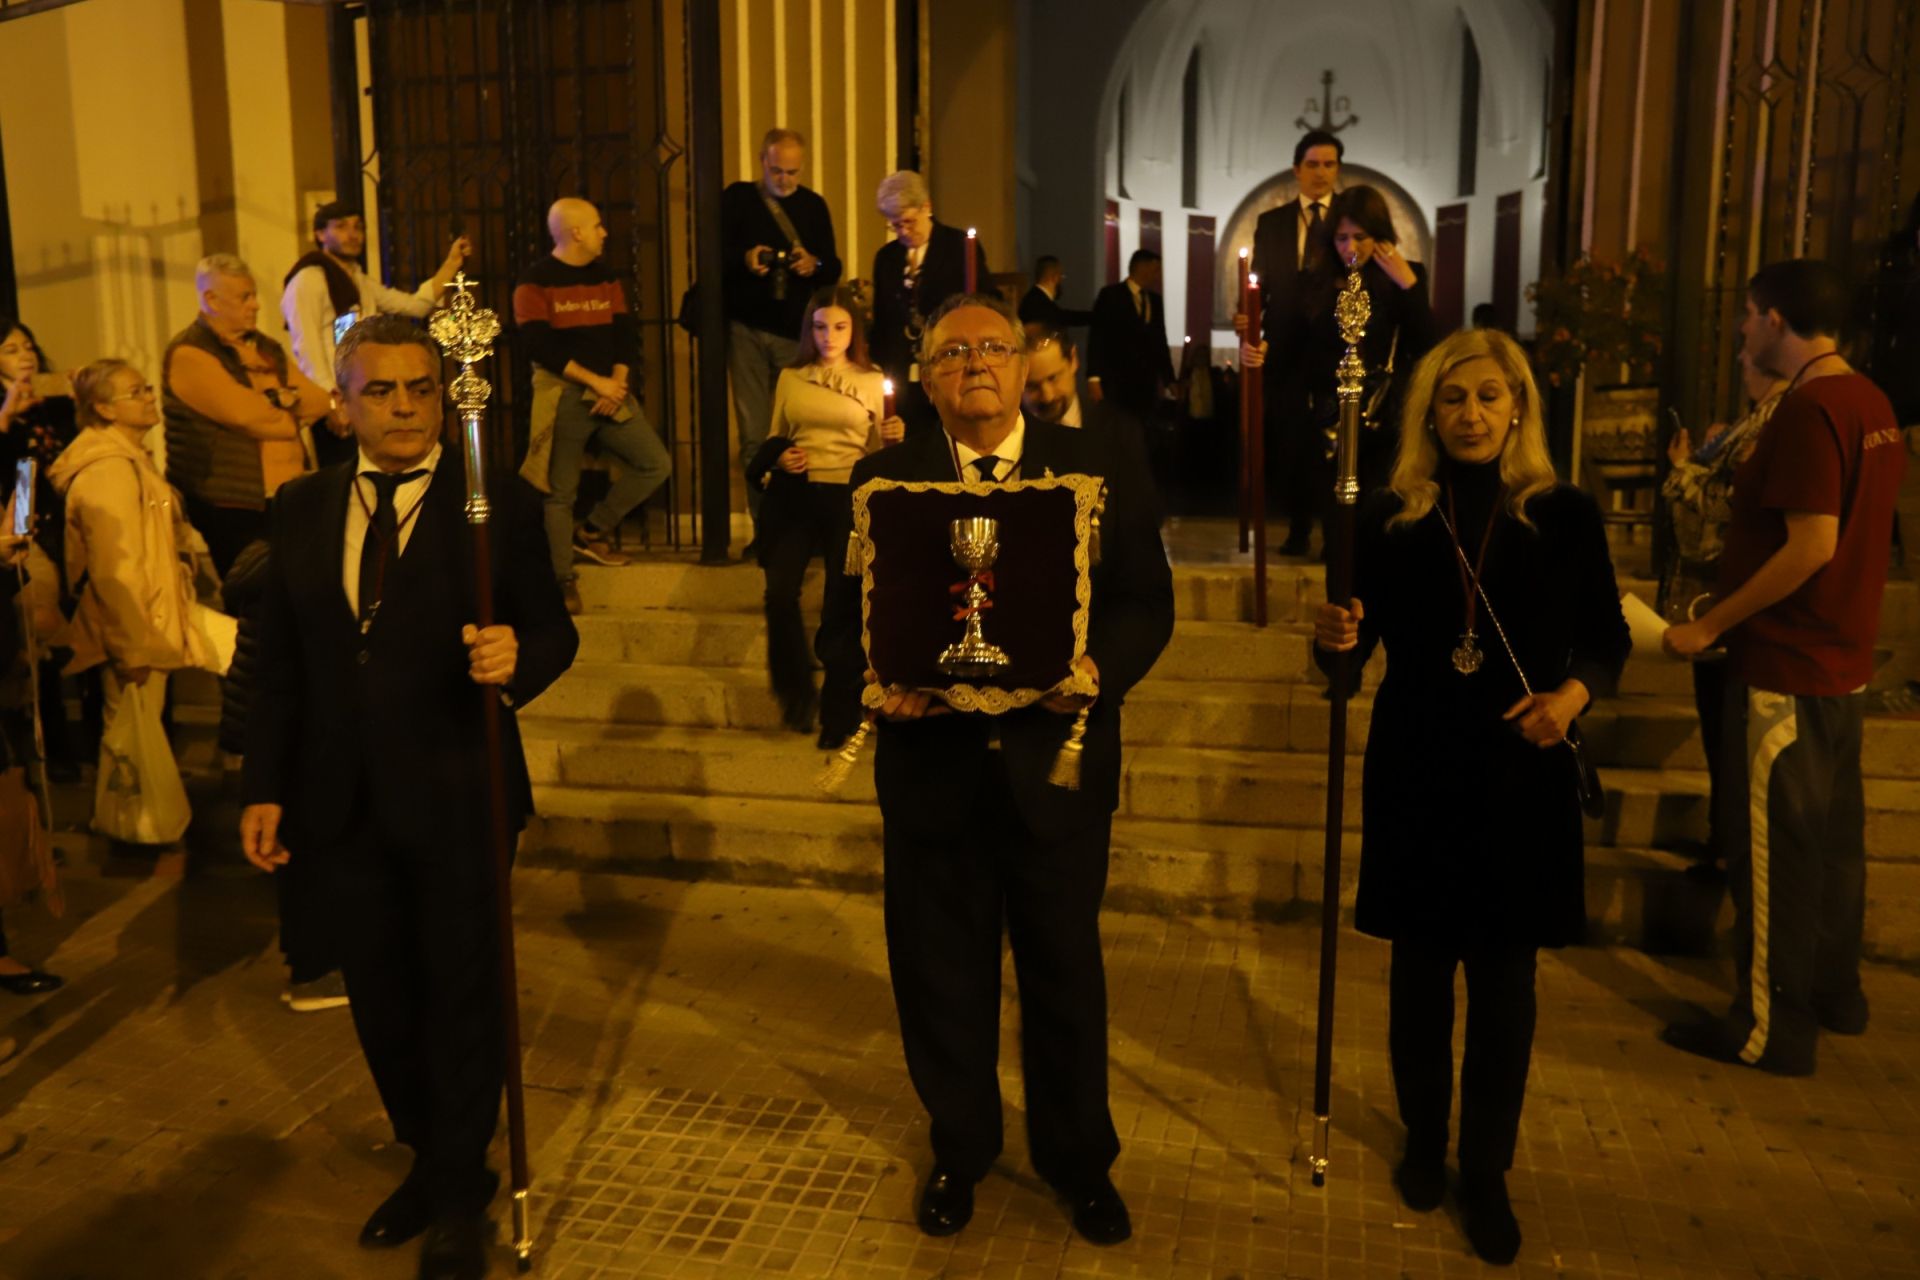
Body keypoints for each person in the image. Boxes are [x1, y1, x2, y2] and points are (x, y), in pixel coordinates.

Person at [818, 293, 1173, 1247]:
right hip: (933, 771)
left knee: (1064, 973)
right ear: (927, 377)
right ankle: (961, 1150)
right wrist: (872, 688)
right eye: (952, 351)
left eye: (994, 348)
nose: (975, 363)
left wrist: (1101, 671)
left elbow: (1147, 603)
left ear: (1026, 367)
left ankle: (1078, 1161)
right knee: (941, 978)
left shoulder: (1097, 466)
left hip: (1052, 773)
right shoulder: (883, 482)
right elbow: (843, 626)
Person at [240, 314, 578, 1279]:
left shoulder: (495, 501)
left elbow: (553, 629)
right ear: (342, 405)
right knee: (380, 997)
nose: (402, 407)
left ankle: (461, 1181)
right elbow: (282, 670)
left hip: (457, 788)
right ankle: (431, 1159)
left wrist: (518, 659)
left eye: (420, 388)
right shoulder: (300, 507)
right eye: (379, 390)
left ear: (444, 396)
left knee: (461, 994)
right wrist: (264, 785)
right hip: (339, 798)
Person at [1315, 328, 1629, 1266]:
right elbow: (1345, 666)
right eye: (1454, 399)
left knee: (1504, 986)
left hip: (1519, 770)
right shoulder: (1387, 520)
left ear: (1520, 407)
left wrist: (1570, 698)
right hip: (1417, 764)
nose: (1472, 415)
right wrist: (1332, 638)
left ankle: (1485, 1169)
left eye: (1491, 397)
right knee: (1419, 976)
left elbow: (1606, 638)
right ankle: (1421, 1140)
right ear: (1428, 413)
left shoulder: (1563, 515)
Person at [1661, 260, 1908, 1075]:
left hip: (1789, 665)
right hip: (1839, 663)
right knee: (1835, 850)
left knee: (1779, 857)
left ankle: (1770, 1027)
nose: (1739, 330)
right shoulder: (1871, 402)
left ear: (1773, 320)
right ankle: (1837, 995)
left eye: (1746, 317)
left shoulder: (1809, 409)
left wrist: (1711, 625)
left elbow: (1813, 543)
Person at [52, 360, 221, 853]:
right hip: (139, 627)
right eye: (135, 391)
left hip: (158, 616)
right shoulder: (108, 472)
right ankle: (132, 825)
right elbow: (115, 569)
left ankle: (137, 821)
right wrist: (131, 650)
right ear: (104, 408)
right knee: (128, 729)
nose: (149, 397)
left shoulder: (131, 459)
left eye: (147, 388)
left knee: (136, 727)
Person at [1244, 185, 1436, 555]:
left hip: (1380, 416)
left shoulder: (1407, 276)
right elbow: (1289, 336)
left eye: (1361, 237)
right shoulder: (1315, 280)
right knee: (1334, 521)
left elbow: (1427, 344)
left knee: (1375, 516)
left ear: (1380, 236)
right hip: (1325, 414)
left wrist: (1407, 285)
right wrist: (1261, 348)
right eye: (1342, 237)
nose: (1351, 248)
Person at [747, 286, 901, 743]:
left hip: (846, 497)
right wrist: (779, 458)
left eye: (838, 327)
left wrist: (894, 437)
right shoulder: (791, 377)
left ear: (854, 330)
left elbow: (878, 454)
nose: (828, 337)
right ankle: (795, 693)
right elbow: (774, 437)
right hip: (797, 495)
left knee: (842, 601)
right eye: (819, 327)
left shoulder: (872, 379)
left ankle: (841, 710)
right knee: (778, 593)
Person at [1660, 354, 1789, 873]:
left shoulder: (1774, 422)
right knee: (1718, 726)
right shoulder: (1748, 424)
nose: (1738, 360)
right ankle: (1723, 838)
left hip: (1728, 598)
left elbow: (1719, 511)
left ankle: (1729, 847)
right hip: (1717, 595)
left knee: (1728, 729)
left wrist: (1682, 471)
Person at [514, 197, 673, 615]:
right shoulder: (535, 281)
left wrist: (617, 382)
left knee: (655, 463)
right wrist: (595, 382)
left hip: (610, 391)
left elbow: (624, 332)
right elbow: (539, 346)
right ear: (576, 232)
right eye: (598, 226)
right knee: (559, 492)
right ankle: (563, 580)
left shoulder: (606, 276)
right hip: (565, 393)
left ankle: (593, 530)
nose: (605, 233)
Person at [164, 254, 331, 575]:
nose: (255, 305)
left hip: (286, 495)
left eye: (253, 295)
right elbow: (250, 417)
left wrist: (276, 401)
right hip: (233, 503)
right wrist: (283, 408)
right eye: (245, 297)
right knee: (254, 596)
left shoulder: (265, 348)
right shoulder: (190, 353)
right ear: (211, 300)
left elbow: (318, 401)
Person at [281, 200, 470, 468]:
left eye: (358, 227)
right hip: (337, 402)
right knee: (345, 478)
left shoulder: (358, 279)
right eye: (342, 227)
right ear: (320, 234)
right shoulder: (309, 279)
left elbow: (414, 305)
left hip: (366, 393)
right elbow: (307, 347)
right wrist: (333, 405)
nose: (353, 234)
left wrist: (451, 265)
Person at [723, 128, 842, 538]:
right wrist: (746, 258)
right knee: (754, 433)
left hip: (796, 332)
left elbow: (834, 268)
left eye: (793, 172)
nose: (785, 180)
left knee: (797, 433)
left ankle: (796, 531)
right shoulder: (738, 199)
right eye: (777, 170)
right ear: (762, 161)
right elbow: (712, 254)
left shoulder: (812, 206)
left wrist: (813, 264)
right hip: (747, 329)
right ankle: (764, 532)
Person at [1243, 130, 1343, 555]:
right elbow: (1259, 287)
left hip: (1336, 350)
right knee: (1290, 442)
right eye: (1313, 164)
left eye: (1329, 165)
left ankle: (1334, 534)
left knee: (1335, 446)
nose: (1321, 173)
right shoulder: (1273, 222)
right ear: (1296, 169)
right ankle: (1298, 528)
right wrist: (1246, 318)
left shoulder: (1348, 222)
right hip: (1283, 352)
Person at [0, 317, 89, 781]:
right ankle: (45, 755)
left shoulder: (48, 405)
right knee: (36, 642)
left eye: (29, 346)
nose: (26, 354)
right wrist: (7, 413)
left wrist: (80, 402)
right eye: (12, 349)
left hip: (63, 523)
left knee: (65, 638)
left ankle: (68, 749)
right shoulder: (7, 411)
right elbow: (16, 476)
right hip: (20, 531)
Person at [868, 171, 988, 436]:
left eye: (908, 222)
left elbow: (983, 300)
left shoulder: (958, 246)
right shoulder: (887, 258)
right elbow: (883, 319)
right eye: (895, 225)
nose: (903, 231)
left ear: (927, 208)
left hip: (947, 365)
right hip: (902, 371)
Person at [1086, 248, 1175, 421]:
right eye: (1155, 269)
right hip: (1117, 381)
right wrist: (1093, 377)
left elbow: (1160, 342)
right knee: (1118, 429)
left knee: (1144, 432)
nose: (1157, 275)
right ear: (1142, 268)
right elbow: (1097, 337)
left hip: (1147, 383)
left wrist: (1169, 378)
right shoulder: (1110, 295)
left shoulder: (1155, 301)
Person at [1019, 256, 1094, 331]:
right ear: (1054, 277)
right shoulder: (1038, 302)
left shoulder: (1035, 297)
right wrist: (1096, 316)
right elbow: (1062, 317)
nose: (1061, 280)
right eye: (1061, 276)